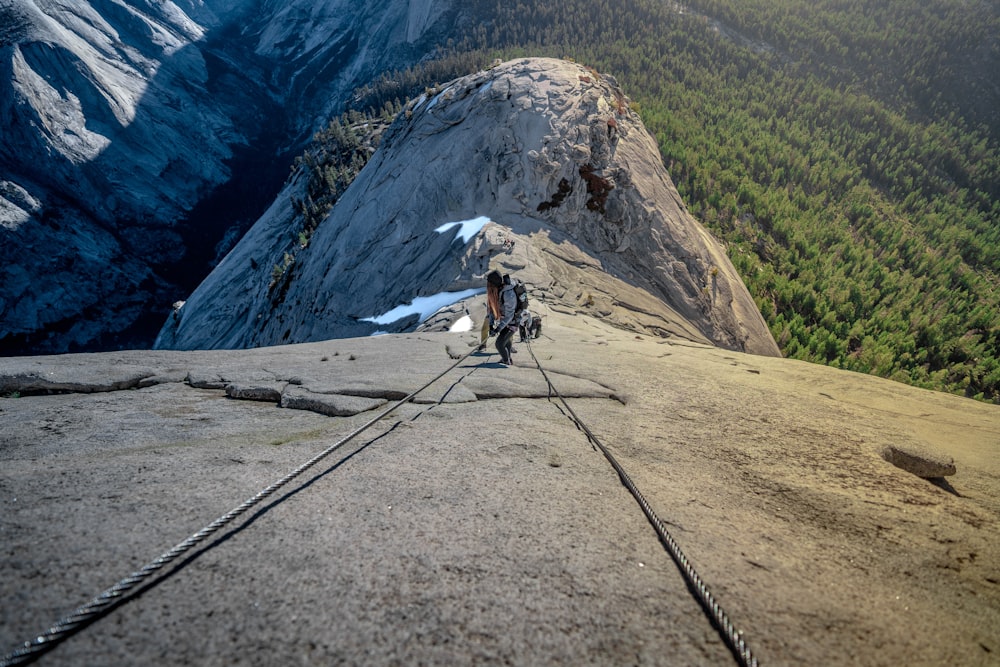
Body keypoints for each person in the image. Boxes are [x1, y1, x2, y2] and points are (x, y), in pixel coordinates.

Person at [486, 270, 516, 365]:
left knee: (499, 344)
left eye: (490, 284)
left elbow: (510, 315)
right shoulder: (497, 292)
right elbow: (491, 309)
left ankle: (506, 361)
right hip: (505, 321)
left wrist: (498, 328)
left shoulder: (508, 294)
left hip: (513, 321)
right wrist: (491, 325)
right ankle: (509, 359)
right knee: (505, 341)